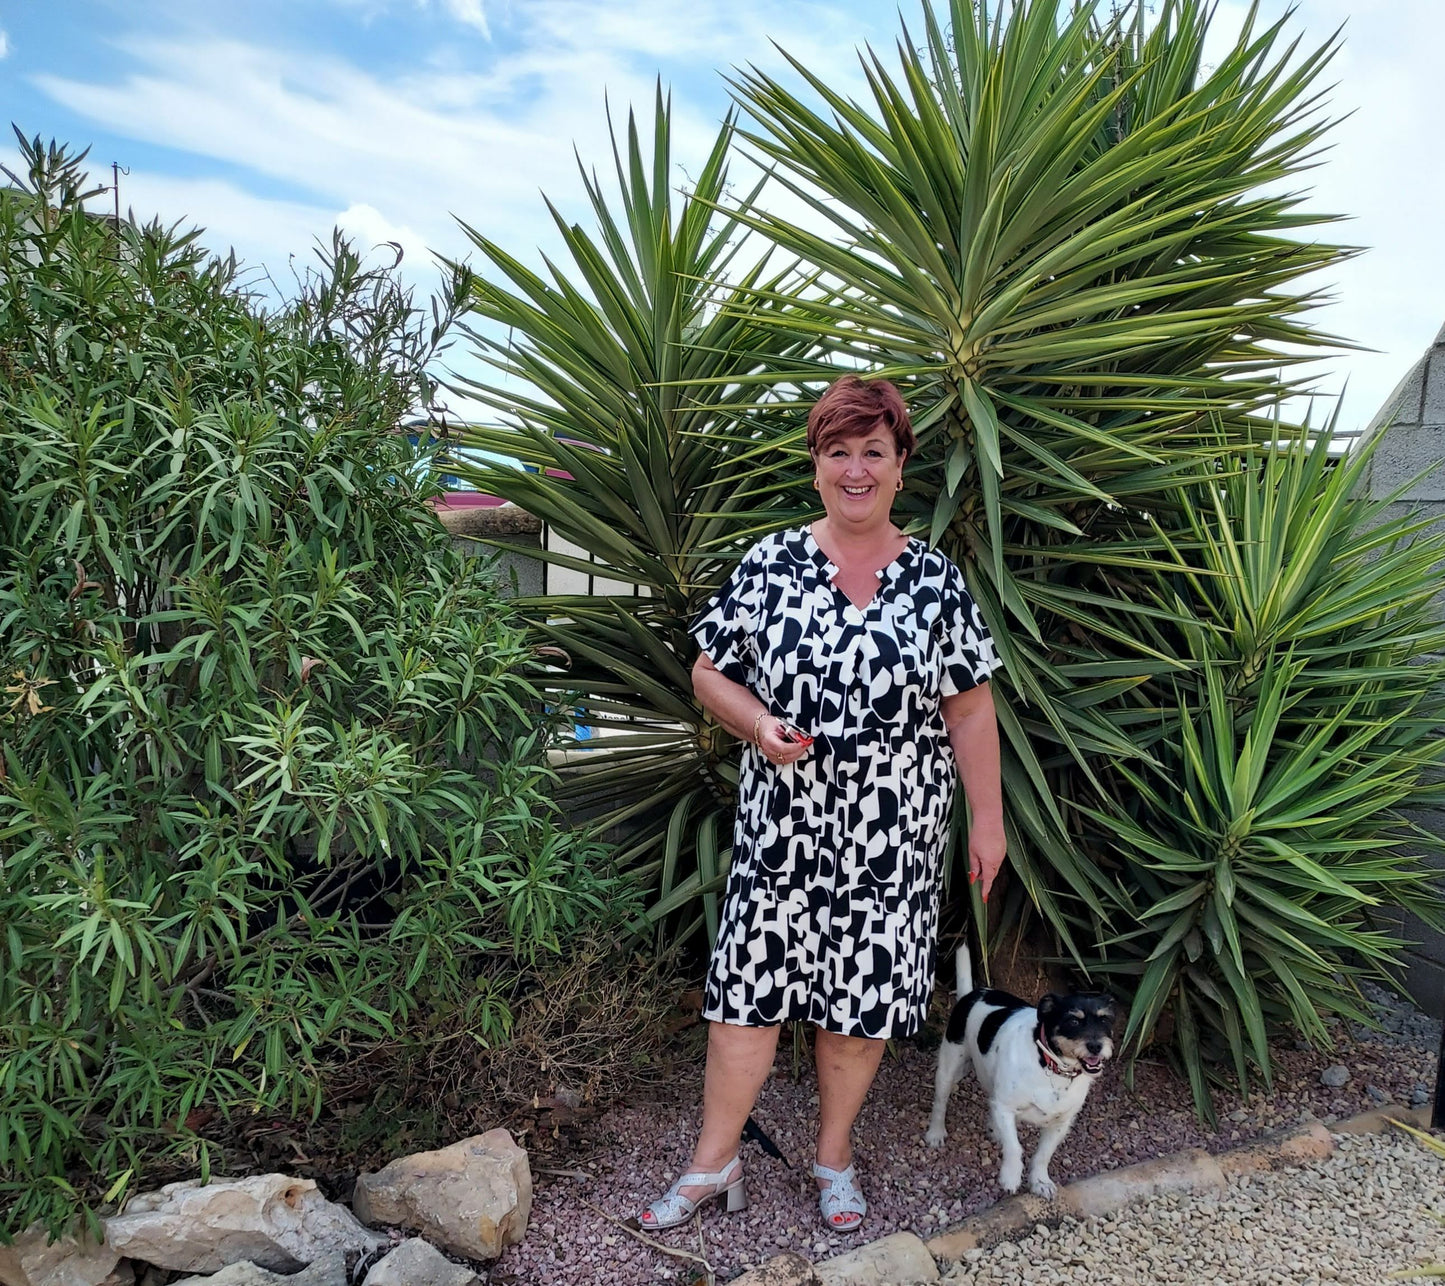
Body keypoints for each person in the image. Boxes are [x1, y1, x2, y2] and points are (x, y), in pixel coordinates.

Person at [639, 375, 1007, 1234]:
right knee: (743, 1003)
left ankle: (832, 1157)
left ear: (899, 465)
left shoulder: (934, 581)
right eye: (837, 451)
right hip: (783, 833)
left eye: (871, 451)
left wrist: (985, 820)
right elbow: (708, 672)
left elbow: (969, 705)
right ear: (814, 466)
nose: (854, 468)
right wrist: (758, 723)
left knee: (858, 1011)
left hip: (895, 837)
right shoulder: (769, 563)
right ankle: (712, 1163)